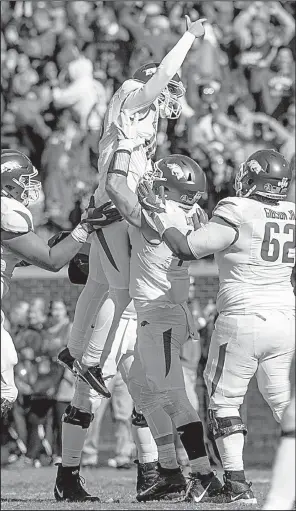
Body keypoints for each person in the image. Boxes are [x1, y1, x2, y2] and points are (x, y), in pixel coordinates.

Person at [58, 15, 207, 398]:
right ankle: (90, 360)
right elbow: (160, 80)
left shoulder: (145, 115)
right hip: (115, 201)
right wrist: (188, 38)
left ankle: (74, 351)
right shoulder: (133, 96)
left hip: (113, 196)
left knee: (97, 283)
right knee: (121, 289)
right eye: (169, 86)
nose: (172, 94)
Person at [139, 148, 295, 504]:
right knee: (282, 402)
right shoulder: (291, 213)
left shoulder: (238, 209)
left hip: (243, 317)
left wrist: (161, 215)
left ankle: (237, 484)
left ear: (253, 178)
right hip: (285, 318)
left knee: (223, 401)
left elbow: (187, 248)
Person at [106, 114, 222, 503]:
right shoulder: (191, 213)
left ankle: (204, 474)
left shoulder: (161, 216)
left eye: (159, 180)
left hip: (161, 315)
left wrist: (124, 145)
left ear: (169, 188)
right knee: (143, 389)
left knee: (174, 397)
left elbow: (115, 186)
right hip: (160, 312)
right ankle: (170, 471)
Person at [0, 148, 103, 424]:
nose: (29, 188)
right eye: (24, 181)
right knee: (6, 386)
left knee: (7, 374)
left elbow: (12, 255)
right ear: (7, 183)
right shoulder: (8, 211)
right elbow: (53, 261)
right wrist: (85, 227)